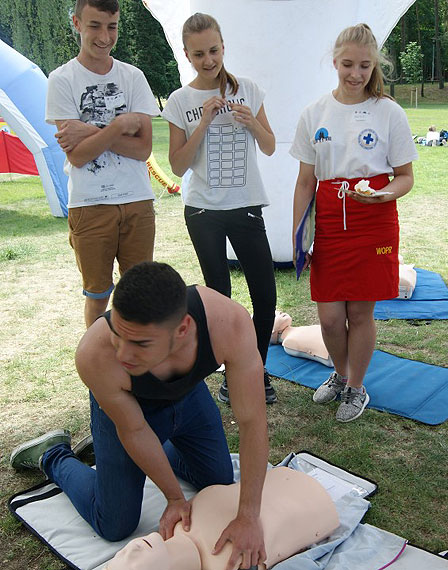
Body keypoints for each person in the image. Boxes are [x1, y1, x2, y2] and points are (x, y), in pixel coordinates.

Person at [10, 262, 270, 569]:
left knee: (217, 481)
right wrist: (174, 498)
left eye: (140, 344)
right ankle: (53, 455)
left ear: (183, 329)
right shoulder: (95, 354)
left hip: (188, 398)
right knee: (114, 524)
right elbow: (134, 430)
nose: (123, 354)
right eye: (118, 335)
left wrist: (248, 517)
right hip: (129, 410)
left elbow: (252, 421)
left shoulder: (229, 323)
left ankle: (123, 455)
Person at [290, 24, 418, 423]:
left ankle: (355, 386)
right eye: (348, 64)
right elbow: (304, 182)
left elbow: (405, 176)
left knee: (360, 314)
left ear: (374, 65)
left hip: (373, 220)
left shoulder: (388, 111)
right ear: (335, 62)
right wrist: (299, 236)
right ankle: (339, 373)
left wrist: (382, 195)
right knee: (329, 315)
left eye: (364, 66)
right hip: (328, 220)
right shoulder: (315, 113)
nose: (355, 73)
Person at [162, 13, 277, 405]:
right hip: (202, 212)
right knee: (220, 300)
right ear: (187, 55)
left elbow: (270, 145)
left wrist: (251, 123)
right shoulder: (180, 100)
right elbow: (177, 165)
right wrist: (203, 123)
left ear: (223, 46)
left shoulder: (248, 89)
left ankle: (256, 371)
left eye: (213, 50)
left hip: (245, 206)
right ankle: (230, 374)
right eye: (199, 54)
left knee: (265, 295)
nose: (208, 60)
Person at [46, 0, 159, 328]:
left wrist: (89, 131)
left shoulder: (133, 77)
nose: (105, 36)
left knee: (139, 292)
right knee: (97, 295)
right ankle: (99, 374)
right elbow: (78, 156)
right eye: (95, 25)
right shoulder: (62, 80)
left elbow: (144, 149)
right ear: (77, 23)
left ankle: (138, 366)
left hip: (137, 199)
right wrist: (117, 126)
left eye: (112, 27)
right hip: (90, 204)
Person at [106, 466, 339, 570]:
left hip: (280, 480)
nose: (131, 549)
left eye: (120, 555)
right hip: (316, 505)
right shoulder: (227, 563)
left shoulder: (179, 521)